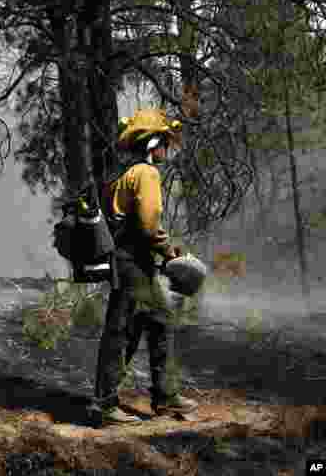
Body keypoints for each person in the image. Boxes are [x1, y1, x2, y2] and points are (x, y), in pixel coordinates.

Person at [89, 108, 198, 426]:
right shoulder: (147, 174)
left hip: (130, 261)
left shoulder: (125, 175)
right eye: (165, 141)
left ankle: (164, 396)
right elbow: (149, 225)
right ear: (152, 143)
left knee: (157, 321)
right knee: (121, 330)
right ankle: (105, 404)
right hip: (133, 262)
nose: (167, 148)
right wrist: (169, 252)